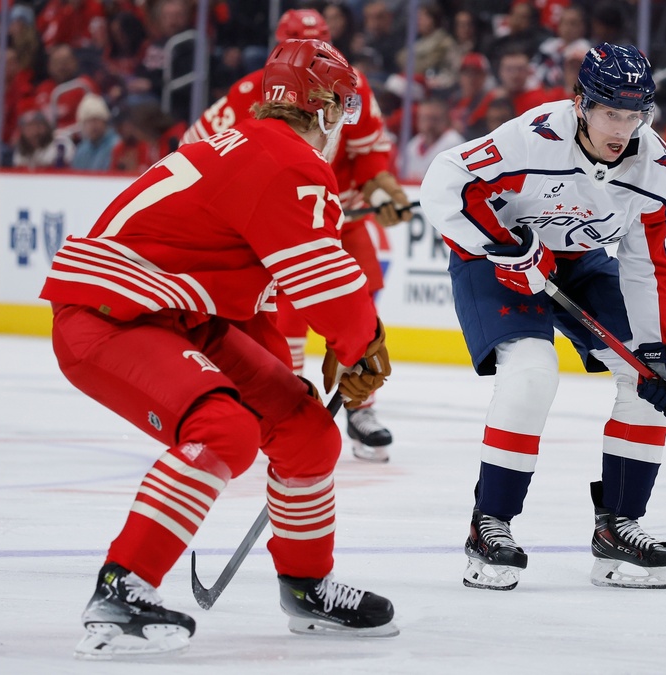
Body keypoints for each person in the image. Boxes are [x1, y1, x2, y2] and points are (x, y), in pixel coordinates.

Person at [41, 39, 398, 659]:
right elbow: (327, 285)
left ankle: (306, 587)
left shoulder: (243, 144)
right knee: (223, 429)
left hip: (174, 314)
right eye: (338, 105)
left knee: (305, 428)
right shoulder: (288, 162)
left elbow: (253, 298)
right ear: (316, 105)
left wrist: (286, 385)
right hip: (112, 317)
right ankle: (120, 591)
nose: (342, 120)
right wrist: (363, 343)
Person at [420, 43, 666, 591]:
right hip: (499, 258)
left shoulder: (655, 168)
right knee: (533, 369)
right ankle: (488, 525)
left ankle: (618, 527)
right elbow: (443, 182)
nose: (624, 128)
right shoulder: (533, 138)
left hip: (579, 262)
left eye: (636, 114)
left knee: (647, 370)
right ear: (582, 104)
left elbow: (647, 266)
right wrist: (500, 245)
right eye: (612, 112)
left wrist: (658, 351)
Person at [183, 9, 412, 463]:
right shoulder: (249, 90)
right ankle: (286, 412)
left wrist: (380, 186)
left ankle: (360, 410)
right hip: (278, 225)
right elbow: (199, 143)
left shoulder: (353, 85)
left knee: (357, 304)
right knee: (284, 321)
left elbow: (370, 151)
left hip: (339, 218)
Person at [70, 93, 118, 171]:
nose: (93, 125)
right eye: (89, 121)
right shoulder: (81, 151)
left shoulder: (115, 145)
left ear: (105, 121)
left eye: (97, 119)